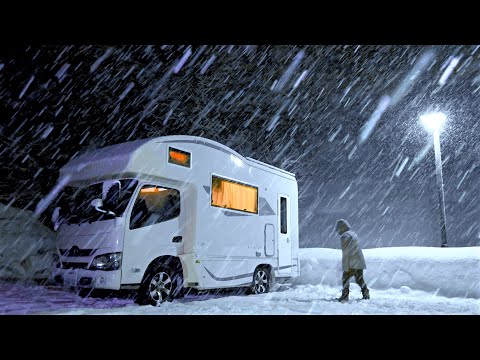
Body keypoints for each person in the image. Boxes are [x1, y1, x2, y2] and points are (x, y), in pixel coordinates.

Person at [336, 219, 370, 303]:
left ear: (341, 228)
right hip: (359, 261)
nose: (338, 231)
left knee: (345, 279)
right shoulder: (353, 234)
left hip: (351, 263)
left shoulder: (344, 236)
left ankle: (344, 297)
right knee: (359, 279)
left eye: (338, 229)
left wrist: (346, 266)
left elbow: (346, 253)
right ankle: (366, 294)